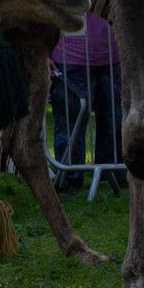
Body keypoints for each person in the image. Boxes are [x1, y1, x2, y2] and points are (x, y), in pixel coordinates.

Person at [51, 11, 122, 193]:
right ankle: (69, 176)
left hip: (111, 57)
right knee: (70, 124)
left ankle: (111, 174)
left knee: (114, 120)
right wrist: (44, 54)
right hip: (69, 58)